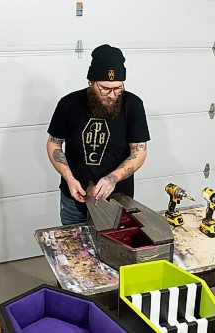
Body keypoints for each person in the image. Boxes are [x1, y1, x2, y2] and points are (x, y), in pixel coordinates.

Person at [46, 44, 150, 225]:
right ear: (91, 82)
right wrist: (69, 179)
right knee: (78, 250)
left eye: (118, 88)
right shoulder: (69, 104)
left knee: (115, 250)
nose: (112, 95)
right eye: (105, 88)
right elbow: (54, 144)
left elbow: (139, 151)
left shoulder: (133, 105)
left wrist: (113, 178)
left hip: (117, 199)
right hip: (74, 198)